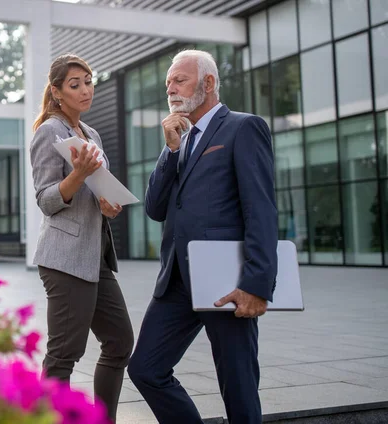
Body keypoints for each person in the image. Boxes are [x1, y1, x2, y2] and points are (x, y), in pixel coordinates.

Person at [127, 49, 278, 424]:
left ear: (208, 83)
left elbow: (260, 210)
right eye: (168, 84)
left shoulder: (243, 128)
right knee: (145, 368)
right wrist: (170, 150)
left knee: (238, 385)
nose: (171, 89)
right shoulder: (180, 140)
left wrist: (257, 283)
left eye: (180, 80)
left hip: (227, 281)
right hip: (177, 281)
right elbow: (155, 208)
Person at [29, 53, 134, 422]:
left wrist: (107, 205)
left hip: (96, 257)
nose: (86, 89)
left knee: (120, 342)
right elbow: (46, 199)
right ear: (57, 92)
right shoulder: (49, 131)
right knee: (64, 355)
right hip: (65, 259)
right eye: (75, 85)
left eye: (88, 81)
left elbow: (91, 193)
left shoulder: (91, 133)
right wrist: (78, 175)